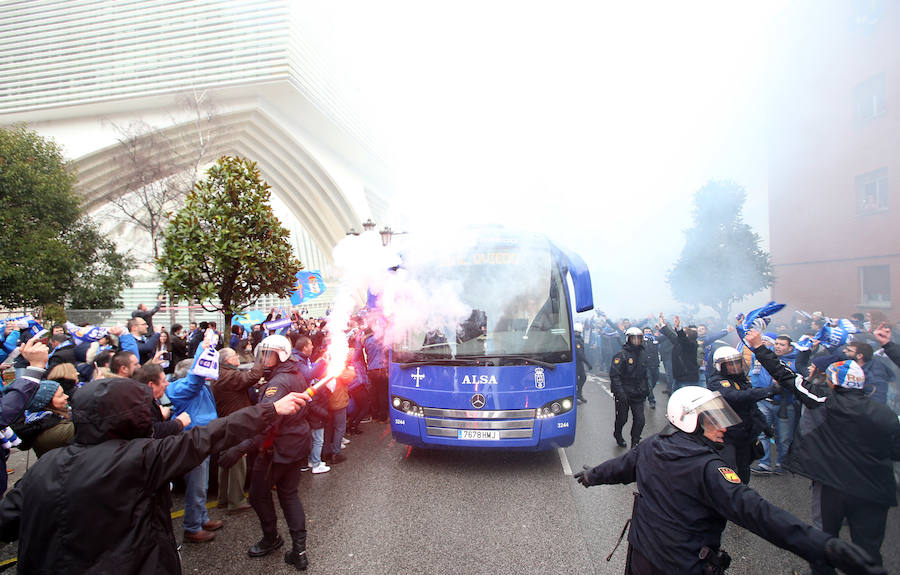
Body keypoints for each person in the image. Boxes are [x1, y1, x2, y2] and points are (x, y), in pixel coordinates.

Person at [0, 376, 308, 574]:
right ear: (130, 417)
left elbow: (6, 520)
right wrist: (271, 410)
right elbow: (207, 437)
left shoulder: (44, 466)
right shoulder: (140, 459)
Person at [574, 386, 886, 575]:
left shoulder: (652, 447)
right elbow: (760, 515)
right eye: (712, 419)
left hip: (641, 559)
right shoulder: (711, 469)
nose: (721, 426)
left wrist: (590, 476)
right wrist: (827, 547)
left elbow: (616, 469)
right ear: (690, 420)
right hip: (684, 567)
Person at [746, 328, 900, 575]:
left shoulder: (823, 401)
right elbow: (895, 453)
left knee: (822, 540)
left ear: (834, 382)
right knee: (869, 550)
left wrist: (758, 347)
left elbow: (787, 377)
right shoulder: (888, 415)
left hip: (832, 486)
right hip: (874, 491)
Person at [226, 335, 315, 568]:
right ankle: (299, 551)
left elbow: (266, 423)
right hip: (296, 444)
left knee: (258, 494)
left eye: (268, 353)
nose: (263, 358)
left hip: (277, 450)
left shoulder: (278, 383)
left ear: (281, 355)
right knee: (289, 494)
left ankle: (271, 538)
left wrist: (239, 448)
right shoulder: (295, 374)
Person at [166, 348, 222, 543]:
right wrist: (203, 350)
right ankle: (192, 527)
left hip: (203, 436)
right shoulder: (180, 388)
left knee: (202, 483)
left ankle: (202, 518)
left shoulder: (199, 387)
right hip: (192, 439)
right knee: (196, 485)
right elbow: (194, 380)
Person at [706, 345, 774, 484]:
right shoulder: (717, 381)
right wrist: (769, 390)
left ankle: (742, 499)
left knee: (744, 471)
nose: (735, 366)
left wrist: (764, 426)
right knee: (729, 473)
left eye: (737, 362)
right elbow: (735, 397)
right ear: (721, 366)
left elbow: (752, 407)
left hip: (744, 435)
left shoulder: (741, 380)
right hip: (728, 435)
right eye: (730, 364)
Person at [211, 347, 264, 513]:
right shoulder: (229, 375)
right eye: (235, 355)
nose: (237, 357)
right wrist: (259, 360)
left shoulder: (220, 373)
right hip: (236, 422)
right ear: (228, 360)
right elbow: (253, 376)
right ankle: (236, 500)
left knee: (225, 460)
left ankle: (223, 498)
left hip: (225, 421)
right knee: (237, 460)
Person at [609, 327, 648, 449]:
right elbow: (615, 375)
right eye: (633, 338)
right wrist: (620, 393)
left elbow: (645, 375)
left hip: (638, 393)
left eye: (638, 338)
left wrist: (646, 390)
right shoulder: (621, 355)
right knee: (622, 418)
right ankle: (618, 434)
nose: (636, 341)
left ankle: (635, 442)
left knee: (640, 420)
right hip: (624, 393)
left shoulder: (643, 354)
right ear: (628, 339)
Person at [658, 313, 701, 391]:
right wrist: (663, 324)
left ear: (687, 335)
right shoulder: (678, 343)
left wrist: (679, 328)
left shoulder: (691, 345)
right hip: (678, 378)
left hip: (688, 380)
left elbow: (683, 339)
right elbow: (670, 334)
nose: (678, 334)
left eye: (683, 333)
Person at [641, 327, 660, 409]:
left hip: (655, 364)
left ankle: (645, 392)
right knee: (648, 383)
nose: (648, 333)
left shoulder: (655, 339)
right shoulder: (641, 341)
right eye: (646, 331)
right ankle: (651, 400)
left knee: (654, 381)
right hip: (646, 365)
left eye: (649, 331)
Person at [574, 323, 591, 404]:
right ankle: (576, 395)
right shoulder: (576, 340)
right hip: (576, 362)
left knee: (581, 378)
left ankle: (578, 394)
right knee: (579, 379)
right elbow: (580, 353)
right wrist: (587, 363)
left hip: (578, 362)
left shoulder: (579, 339)